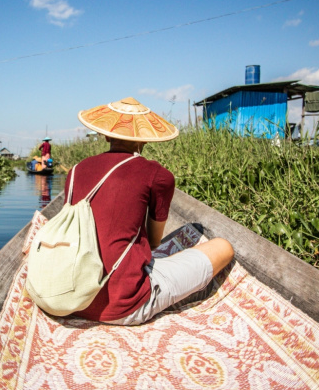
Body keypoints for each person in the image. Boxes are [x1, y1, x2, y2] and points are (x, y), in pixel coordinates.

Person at [67, 97, 234, 325]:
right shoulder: (158, 175)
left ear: (106, 135)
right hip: (124, 305)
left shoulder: (75, 171)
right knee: (223, 247)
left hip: (68, 298)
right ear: (143, 139)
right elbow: (155, 242)